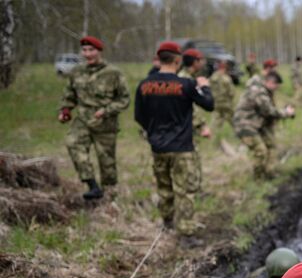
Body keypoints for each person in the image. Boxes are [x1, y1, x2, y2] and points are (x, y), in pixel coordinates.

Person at [134, 41, 214, 235]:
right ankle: (186, 230)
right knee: (185, 191)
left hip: (158, 147)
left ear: (159, 59)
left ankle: (167, 223)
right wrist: (205, 87)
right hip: (182, 147)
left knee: (164, 188)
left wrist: (153, 133)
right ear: (178, 60)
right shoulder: (185, 84)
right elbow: (209, 104)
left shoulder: (145, 85)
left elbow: (139, 116)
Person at [58, 36, 130, 200]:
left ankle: (110, 197)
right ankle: (92, 184)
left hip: (105, 123)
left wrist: (106, 110)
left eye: (91, 50)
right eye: (84, 50)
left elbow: (124, 99)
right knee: (73, 144)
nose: (87, 54)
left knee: (107, 162)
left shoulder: (113, 73)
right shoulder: (77, 71)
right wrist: (65, 110)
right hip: (83, 120)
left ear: (99, 51)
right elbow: (70, 94)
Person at [233, 71, 295, 180]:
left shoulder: (263, 90)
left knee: (271, 146)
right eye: (276, 86)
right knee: (261, 151)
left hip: (255, 124)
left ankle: (268, 173)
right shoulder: (259, 91)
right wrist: (286, 113)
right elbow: (268, 111)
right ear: (270, 82)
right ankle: (257, 179)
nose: (276, 89)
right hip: (245, 125)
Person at [177, 49, 211, 183]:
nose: (203, 62)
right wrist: (201, 125)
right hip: (187, 127)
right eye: (200, 60)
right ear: (195, 62)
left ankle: (195, 187)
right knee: (190, 160)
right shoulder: (185, 79)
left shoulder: (188, 77)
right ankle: (192, 188)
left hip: (189, 125)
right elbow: (192, 107)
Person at [209, 60, 235, 129]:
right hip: (226, 103)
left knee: (216, 119)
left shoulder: (212, 77)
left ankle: (214, 133)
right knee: (233, 119)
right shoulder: (227, 78)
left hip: (216, 102)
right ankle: (240, 132)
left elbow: (209, 88)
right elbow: (232, 92)